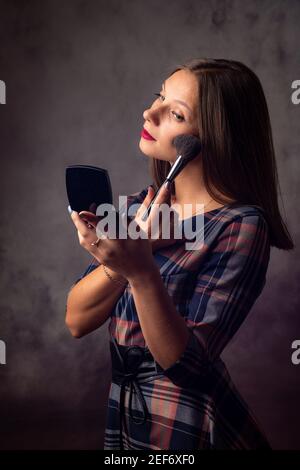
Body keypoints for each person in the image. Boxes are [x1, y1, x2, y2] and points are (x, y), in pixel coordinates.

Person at [65, 58, 294, 450]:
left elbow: (186, 366)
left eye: (174, 113)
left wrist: (138, 269)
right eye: (159, 97)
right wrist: (130, 257)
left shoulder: (240, 225)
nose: (148, 112)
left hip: (187, 421)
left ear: (215, 136)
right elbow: (76, 320)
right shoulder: (143, 207)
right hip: (126, 409)